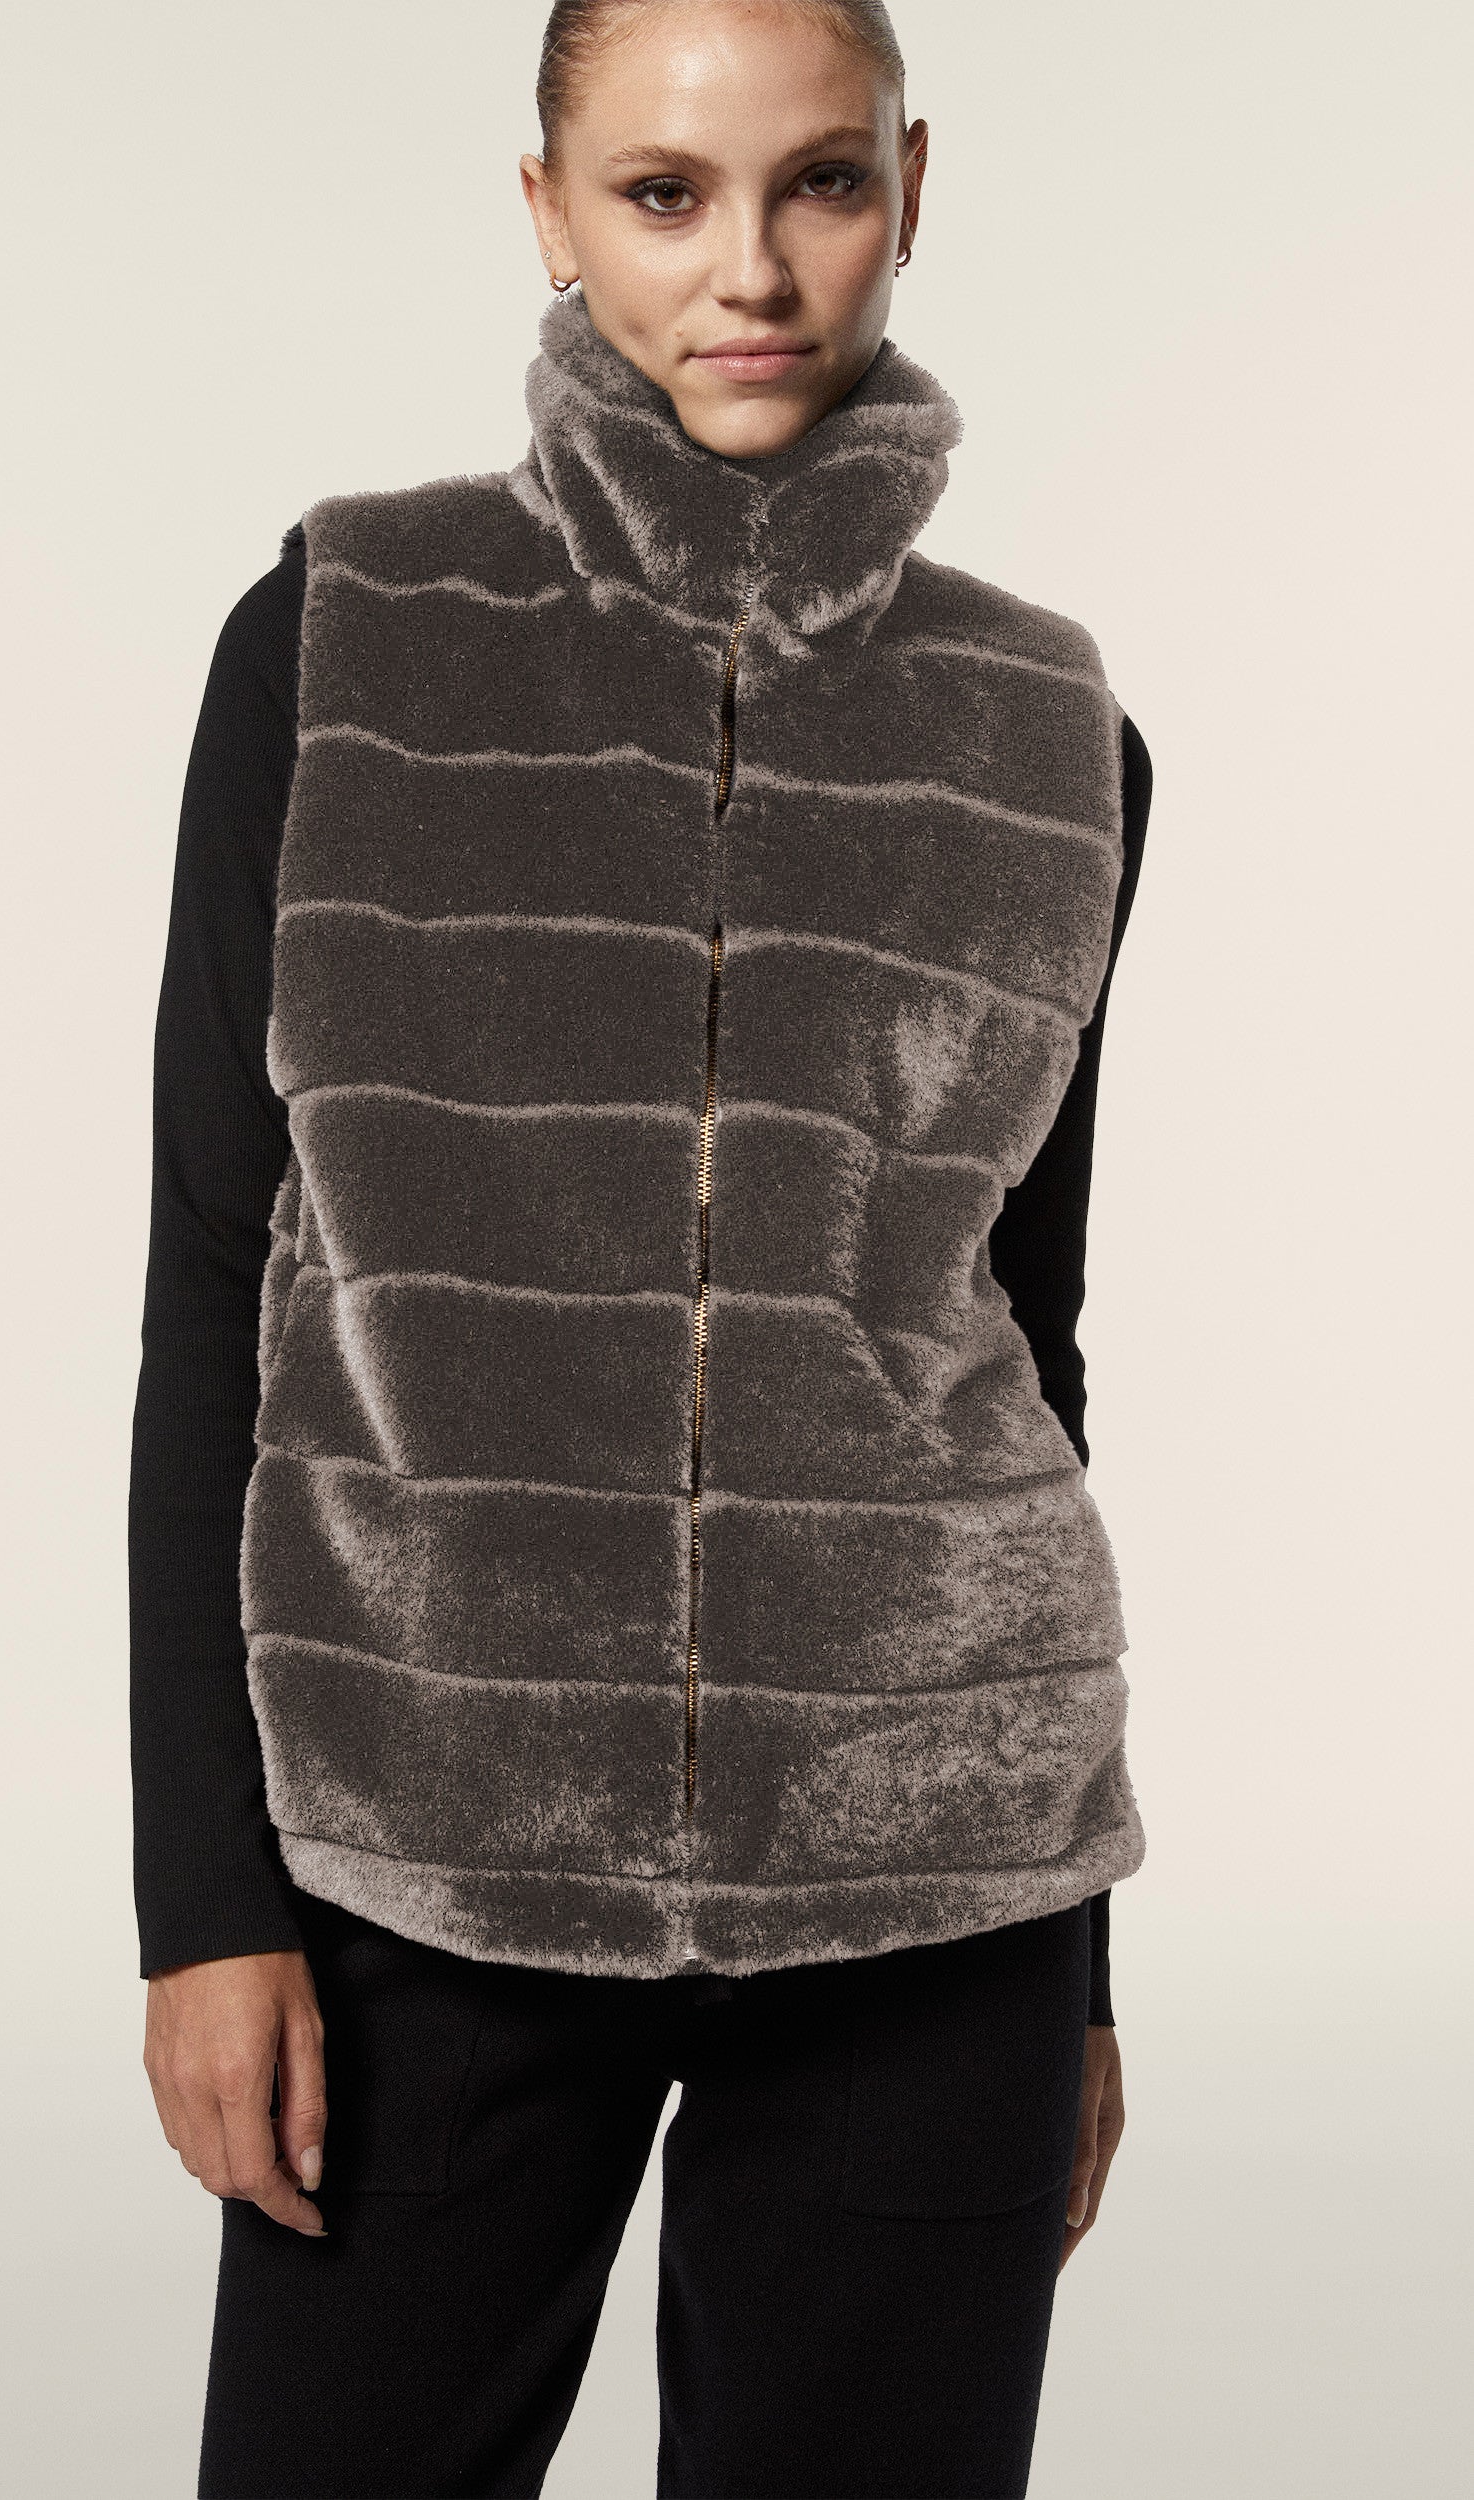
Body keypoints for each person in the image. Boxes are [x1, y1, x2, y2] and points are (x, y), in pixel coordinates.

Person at [130, 4, 1150, 2492]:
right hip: (422, 1853)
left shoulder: (1049, 731)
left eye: (820, 183)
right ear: (548, 206)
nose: (750, 272)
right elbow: (208, 1282)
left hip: (937, 1888)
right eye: (664, 194)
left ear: (910, 182)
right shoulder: (342, 635)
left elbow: (1021, 1340)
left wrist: (1073, 1957)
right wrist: (201, 1902)